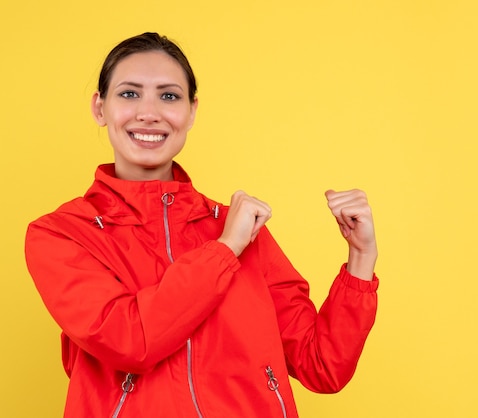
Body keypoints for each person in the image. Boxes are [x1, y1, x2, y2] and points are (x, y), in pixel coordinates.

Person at [25, 32, 378, 418]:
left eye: (169, 95)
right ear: (99, 107)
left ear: (192, 111)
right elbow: (131, 341)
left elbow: (321, 367)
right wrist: (224, 251)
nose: (149, 112)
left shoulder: (241, 229)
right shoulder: (62, 234)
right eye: (129, 94)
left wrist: (360, 259)